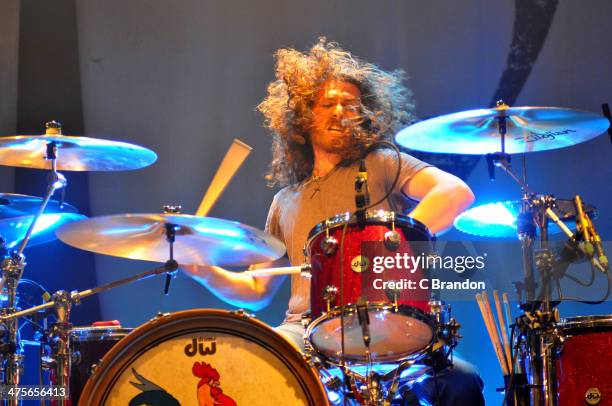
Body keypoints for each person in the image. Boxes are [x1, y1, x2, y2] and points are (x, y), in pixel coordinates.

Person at [184, 39, 484, 405]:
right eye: (328, 103)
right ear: (304, 118)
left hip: (387, 317)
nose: (340, 110)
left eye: (350, 104)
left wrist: (390, 248)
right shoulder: (285, 201)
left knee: (461, 381)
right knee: (263, 365)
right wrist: (204, 270)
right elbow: (256, 290)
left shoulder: (383, 163)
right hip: (304, 330)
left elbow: (455, 193)